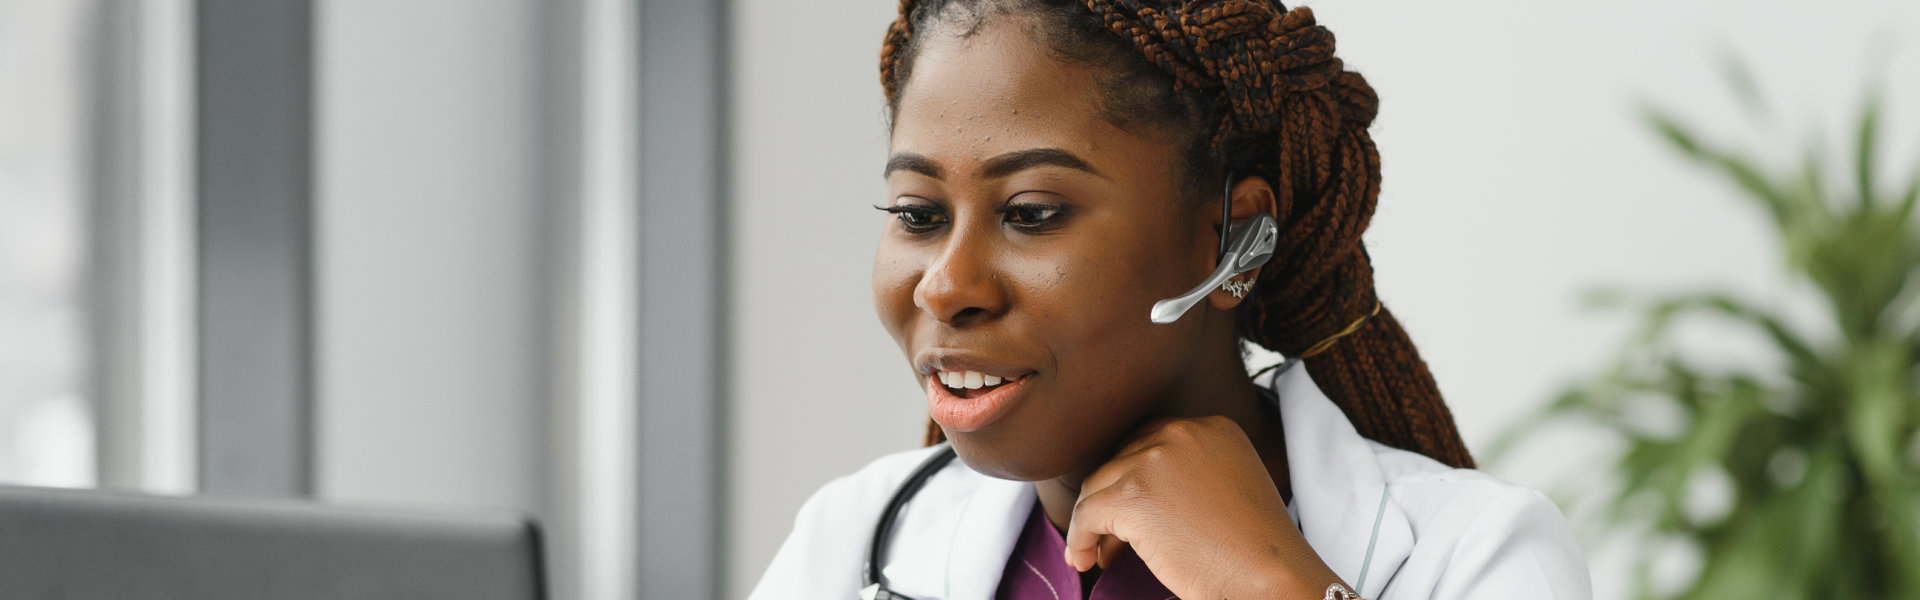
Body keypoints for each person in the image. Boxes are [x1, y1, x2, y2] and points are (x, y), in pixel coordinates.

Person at [751, 0, 1592, 598]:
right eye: (918, 215)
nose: (947, 285)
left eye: (1032, 214)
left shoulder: (1477, 556)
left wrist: (1272, 587)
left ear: (1234, 244)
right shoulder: (854, 537)